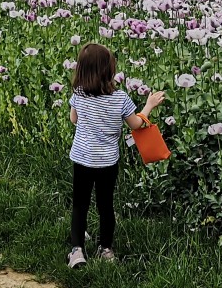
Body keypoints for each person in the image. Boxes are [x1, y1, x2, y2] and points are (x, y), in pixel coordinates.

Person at [66, 42, 165, 268]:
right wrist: (149, 105)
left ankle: (77, 251)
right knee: (105, 205)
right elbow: (137, 124)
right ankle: (106, 249)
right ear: (108, 71)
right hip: (107, 162)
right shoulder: (119, 98)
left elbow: (74, 119)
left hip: (82, 158)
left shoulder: (78, 94)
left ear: (81, 70)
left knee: (80, 204)